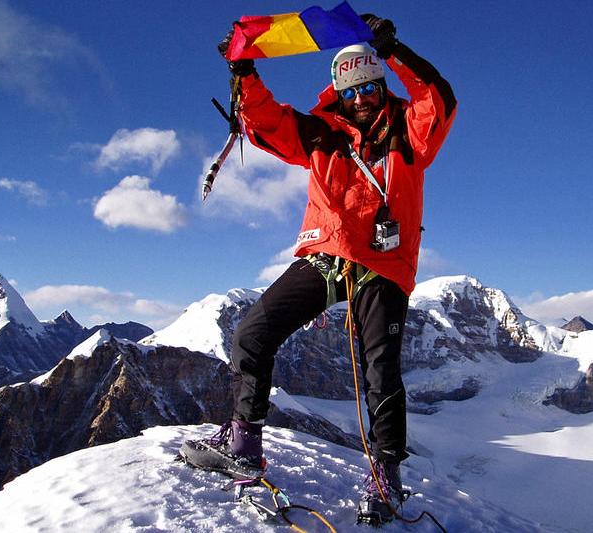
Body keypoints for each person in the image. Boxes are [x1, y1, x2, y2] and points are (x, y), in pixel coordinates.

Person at [181, 13, 457, 523]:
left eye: (369, 88)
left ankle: (385, 477)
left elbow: (438, 98)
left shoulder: (411, 134)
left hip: (382, 262)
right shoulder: (319, 131)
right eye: (351, 91)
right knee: (253, 333)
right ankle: (243, 442)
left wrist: (395, 51)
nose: (360, 99)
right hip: (326, 254)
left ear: (380, 84)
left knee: (380, 369)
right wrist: (244, 71)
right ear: (338, 91)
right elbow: (265, 121)